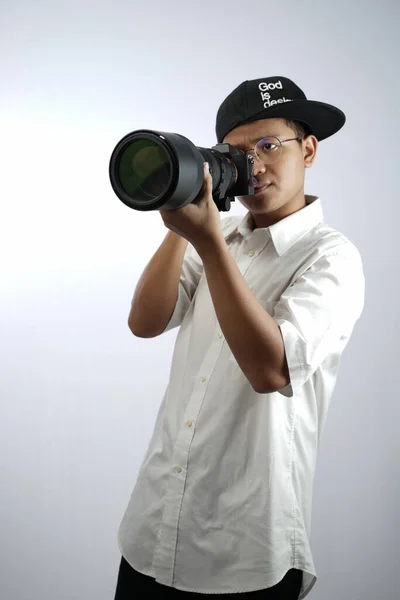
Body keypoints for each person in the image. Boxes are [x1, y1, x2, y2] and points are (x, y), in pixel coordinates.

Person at [113, 76, 365, 599]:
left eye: (270, 145)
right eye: (239, 153)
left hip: (245, 550)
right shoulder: (217, 238)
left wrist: (207, 244)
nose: (257, 165)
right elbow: (145, 322)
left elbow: (270, 370)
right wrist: (177, 218)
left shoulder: (330, 256)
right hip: (154, 525)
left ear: (310, 149)